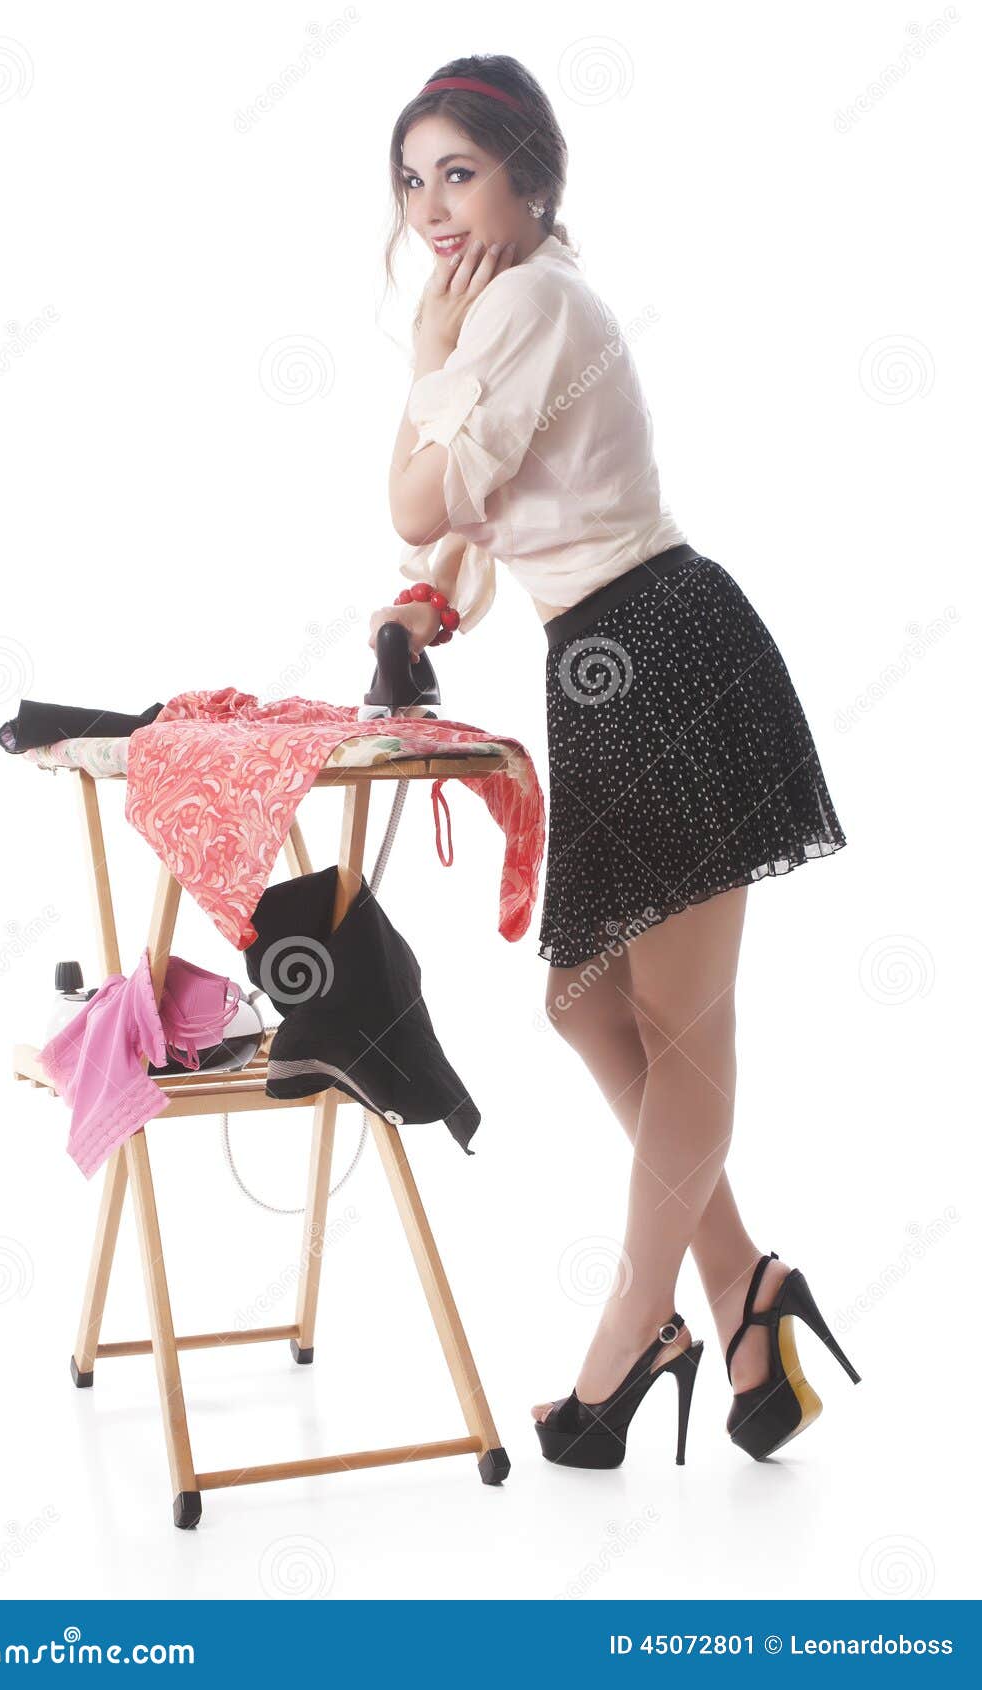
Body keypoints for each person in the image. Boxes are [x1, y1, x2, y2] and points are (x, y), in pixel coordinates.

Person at [370, 55, 859, 1468]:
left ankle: (636, 1330)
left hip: (662, 657)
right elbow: (469, 515)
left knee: (675, 1019)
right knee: (590, 1002)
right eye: (412, 181)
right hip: (619, 661)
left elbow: (418, 484)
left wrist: (418, 370)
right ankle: (740, 1285)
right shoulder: (521, 306)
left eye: (457, 170)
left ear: (531, 172)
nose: (433, 207)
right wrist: (429, 604)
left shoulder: (519, 301)